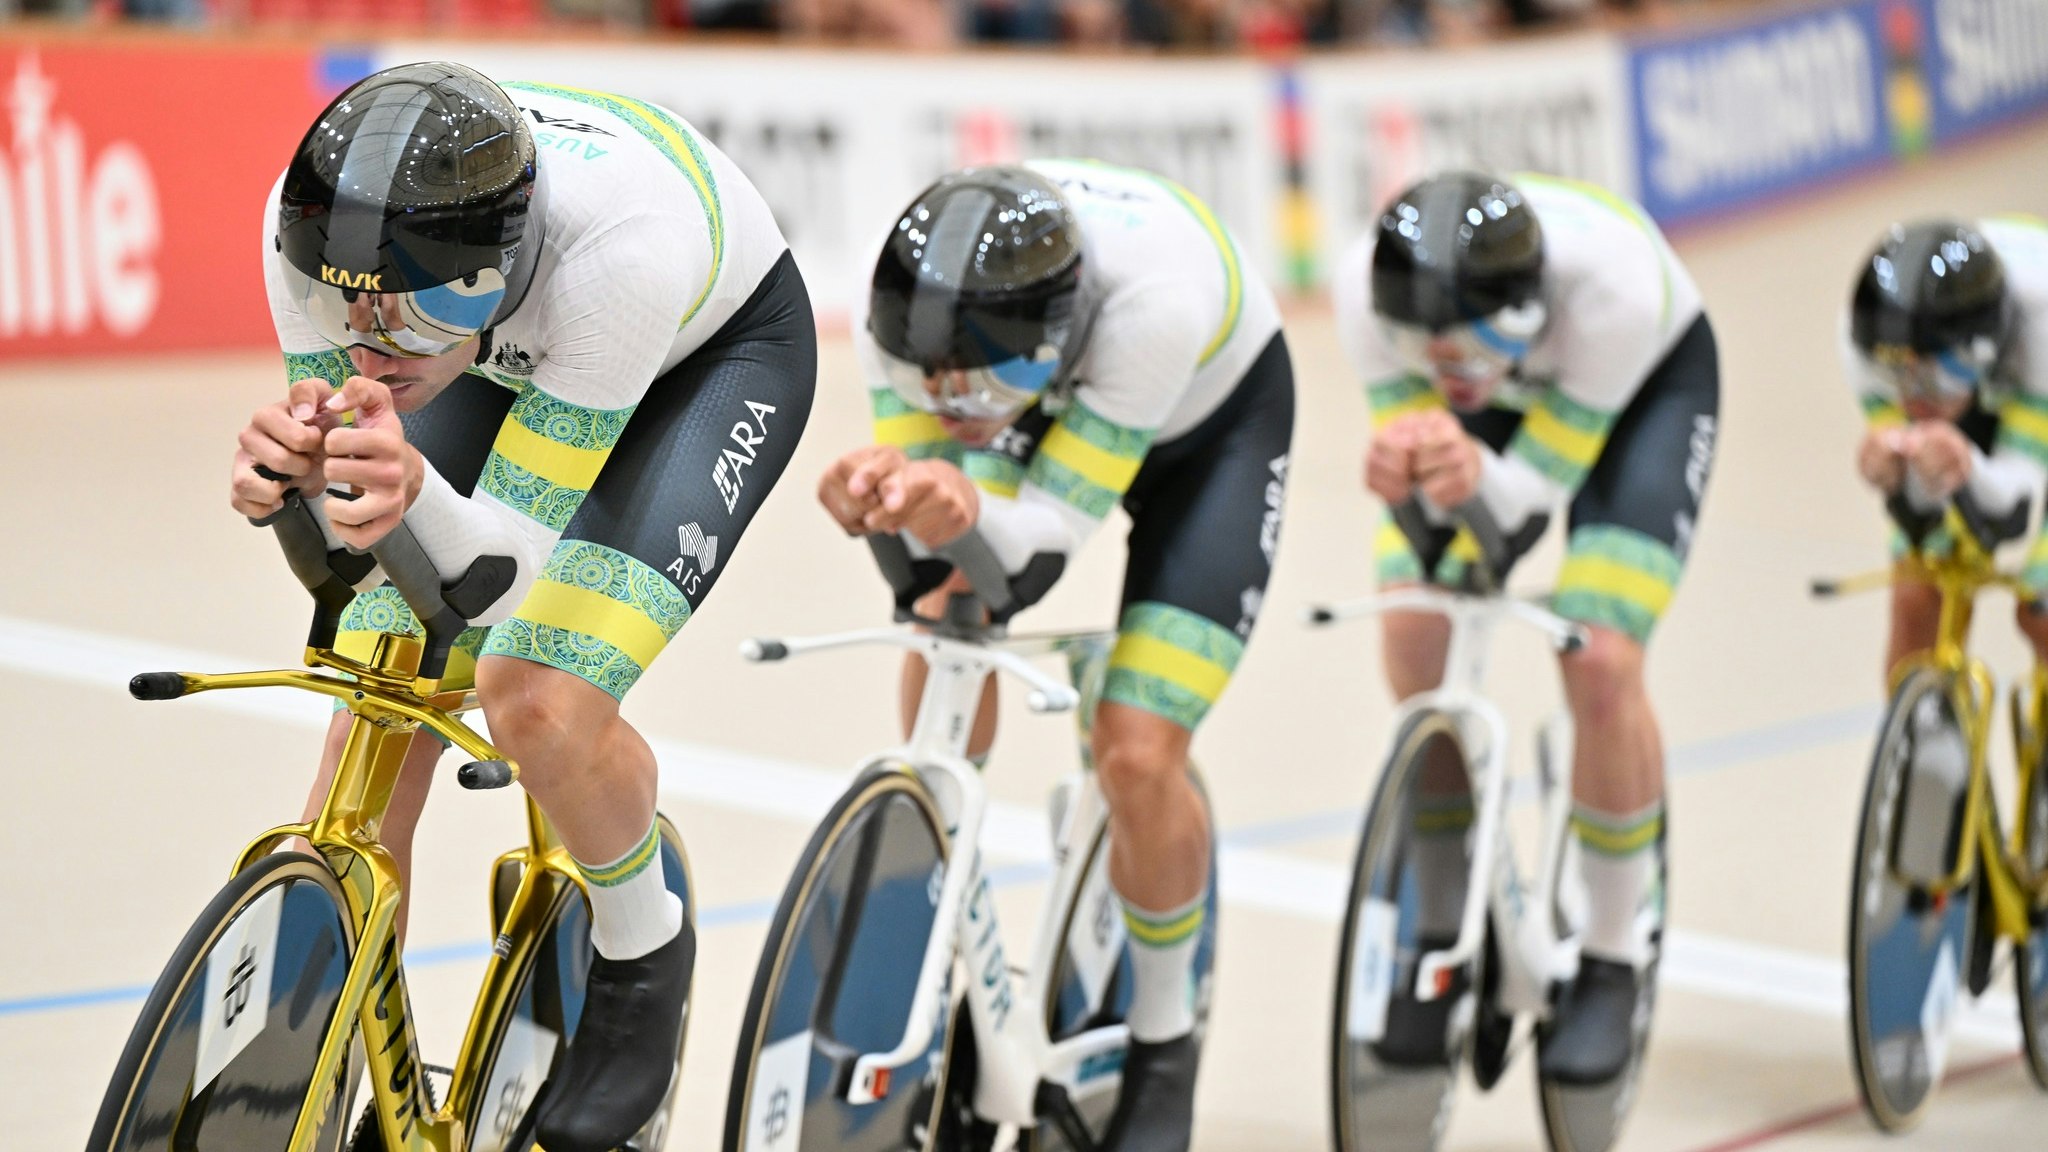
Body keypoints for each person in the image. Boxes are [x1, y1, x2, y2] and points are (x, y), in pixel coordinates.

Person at [229, 62, 814, 1152]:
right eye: (344, 300)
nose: (373, 334)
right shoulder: (302, 225)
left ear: (494, 270)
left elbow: (496, 573)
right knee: (376, 693)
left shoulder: (619, 259)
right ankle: (349, 1065)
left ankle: (643, 947)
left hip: (703, 358)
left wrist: (392, 495)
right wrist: (292, 491)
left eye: (420, 306)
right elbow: (355, 546)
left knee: (535, 696)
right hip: (502, 354)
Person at [816, 161, 1294, 1152]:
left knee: (1133, 746)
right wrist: (892, 506)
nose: (952, 402)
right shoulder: (903, 312)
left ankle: (1165, 1035)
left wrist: (960, 500)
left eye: (985, 382)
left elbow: (1032, 554)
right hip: (1044, 391)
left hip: (1211, 433)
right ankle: (936, 878)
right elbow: (932, 564)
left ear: (1056, 335)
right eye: (931, 383)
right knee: (946, 599)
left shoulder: (1150, 305)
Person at [1333, 170, 1719, 1084]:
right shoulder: (1367, 290)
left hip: (1636, 395)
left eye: (1473, 345)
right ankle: (1442, 920)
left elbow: (1527, 507)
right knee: (1415, 632)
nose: (1455, 361)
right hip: (1501, 404)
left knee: (1600, 655)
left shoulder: (1614, 296)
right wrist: (1408, 472)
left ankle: (1615, 955)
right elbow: (1440, 505)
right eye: (1434, 349)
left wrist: (1466, 468)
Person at [1845, 217, 2048, 674]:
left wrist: (1966, 466)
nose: (1913, 396)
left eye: (1934, 375)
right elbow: (1923, 514)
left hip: (2040, 377)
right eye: (1897, 375)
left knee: (2042, 611)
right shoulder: (1863, 337)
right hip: (1995, 378)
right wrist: (1897, 477)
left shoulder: (2041, 325)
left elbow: (2019, 507)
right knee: (1918, 596)